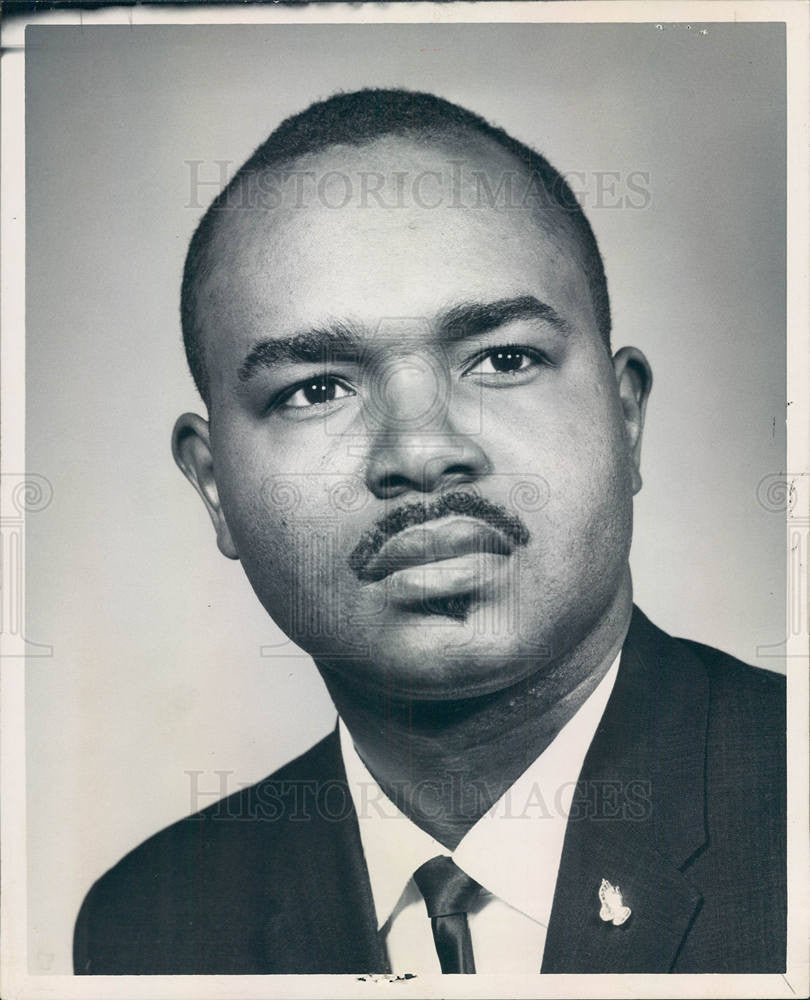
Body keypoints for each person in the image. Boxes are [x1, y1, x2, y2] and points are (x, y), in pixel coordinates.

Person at [73, 88, 785, 975]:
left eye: (503, 359)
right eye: (316, 389)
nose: (420, 450)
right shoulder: (151, 924)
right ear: (214, 486)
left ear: (626, 416)